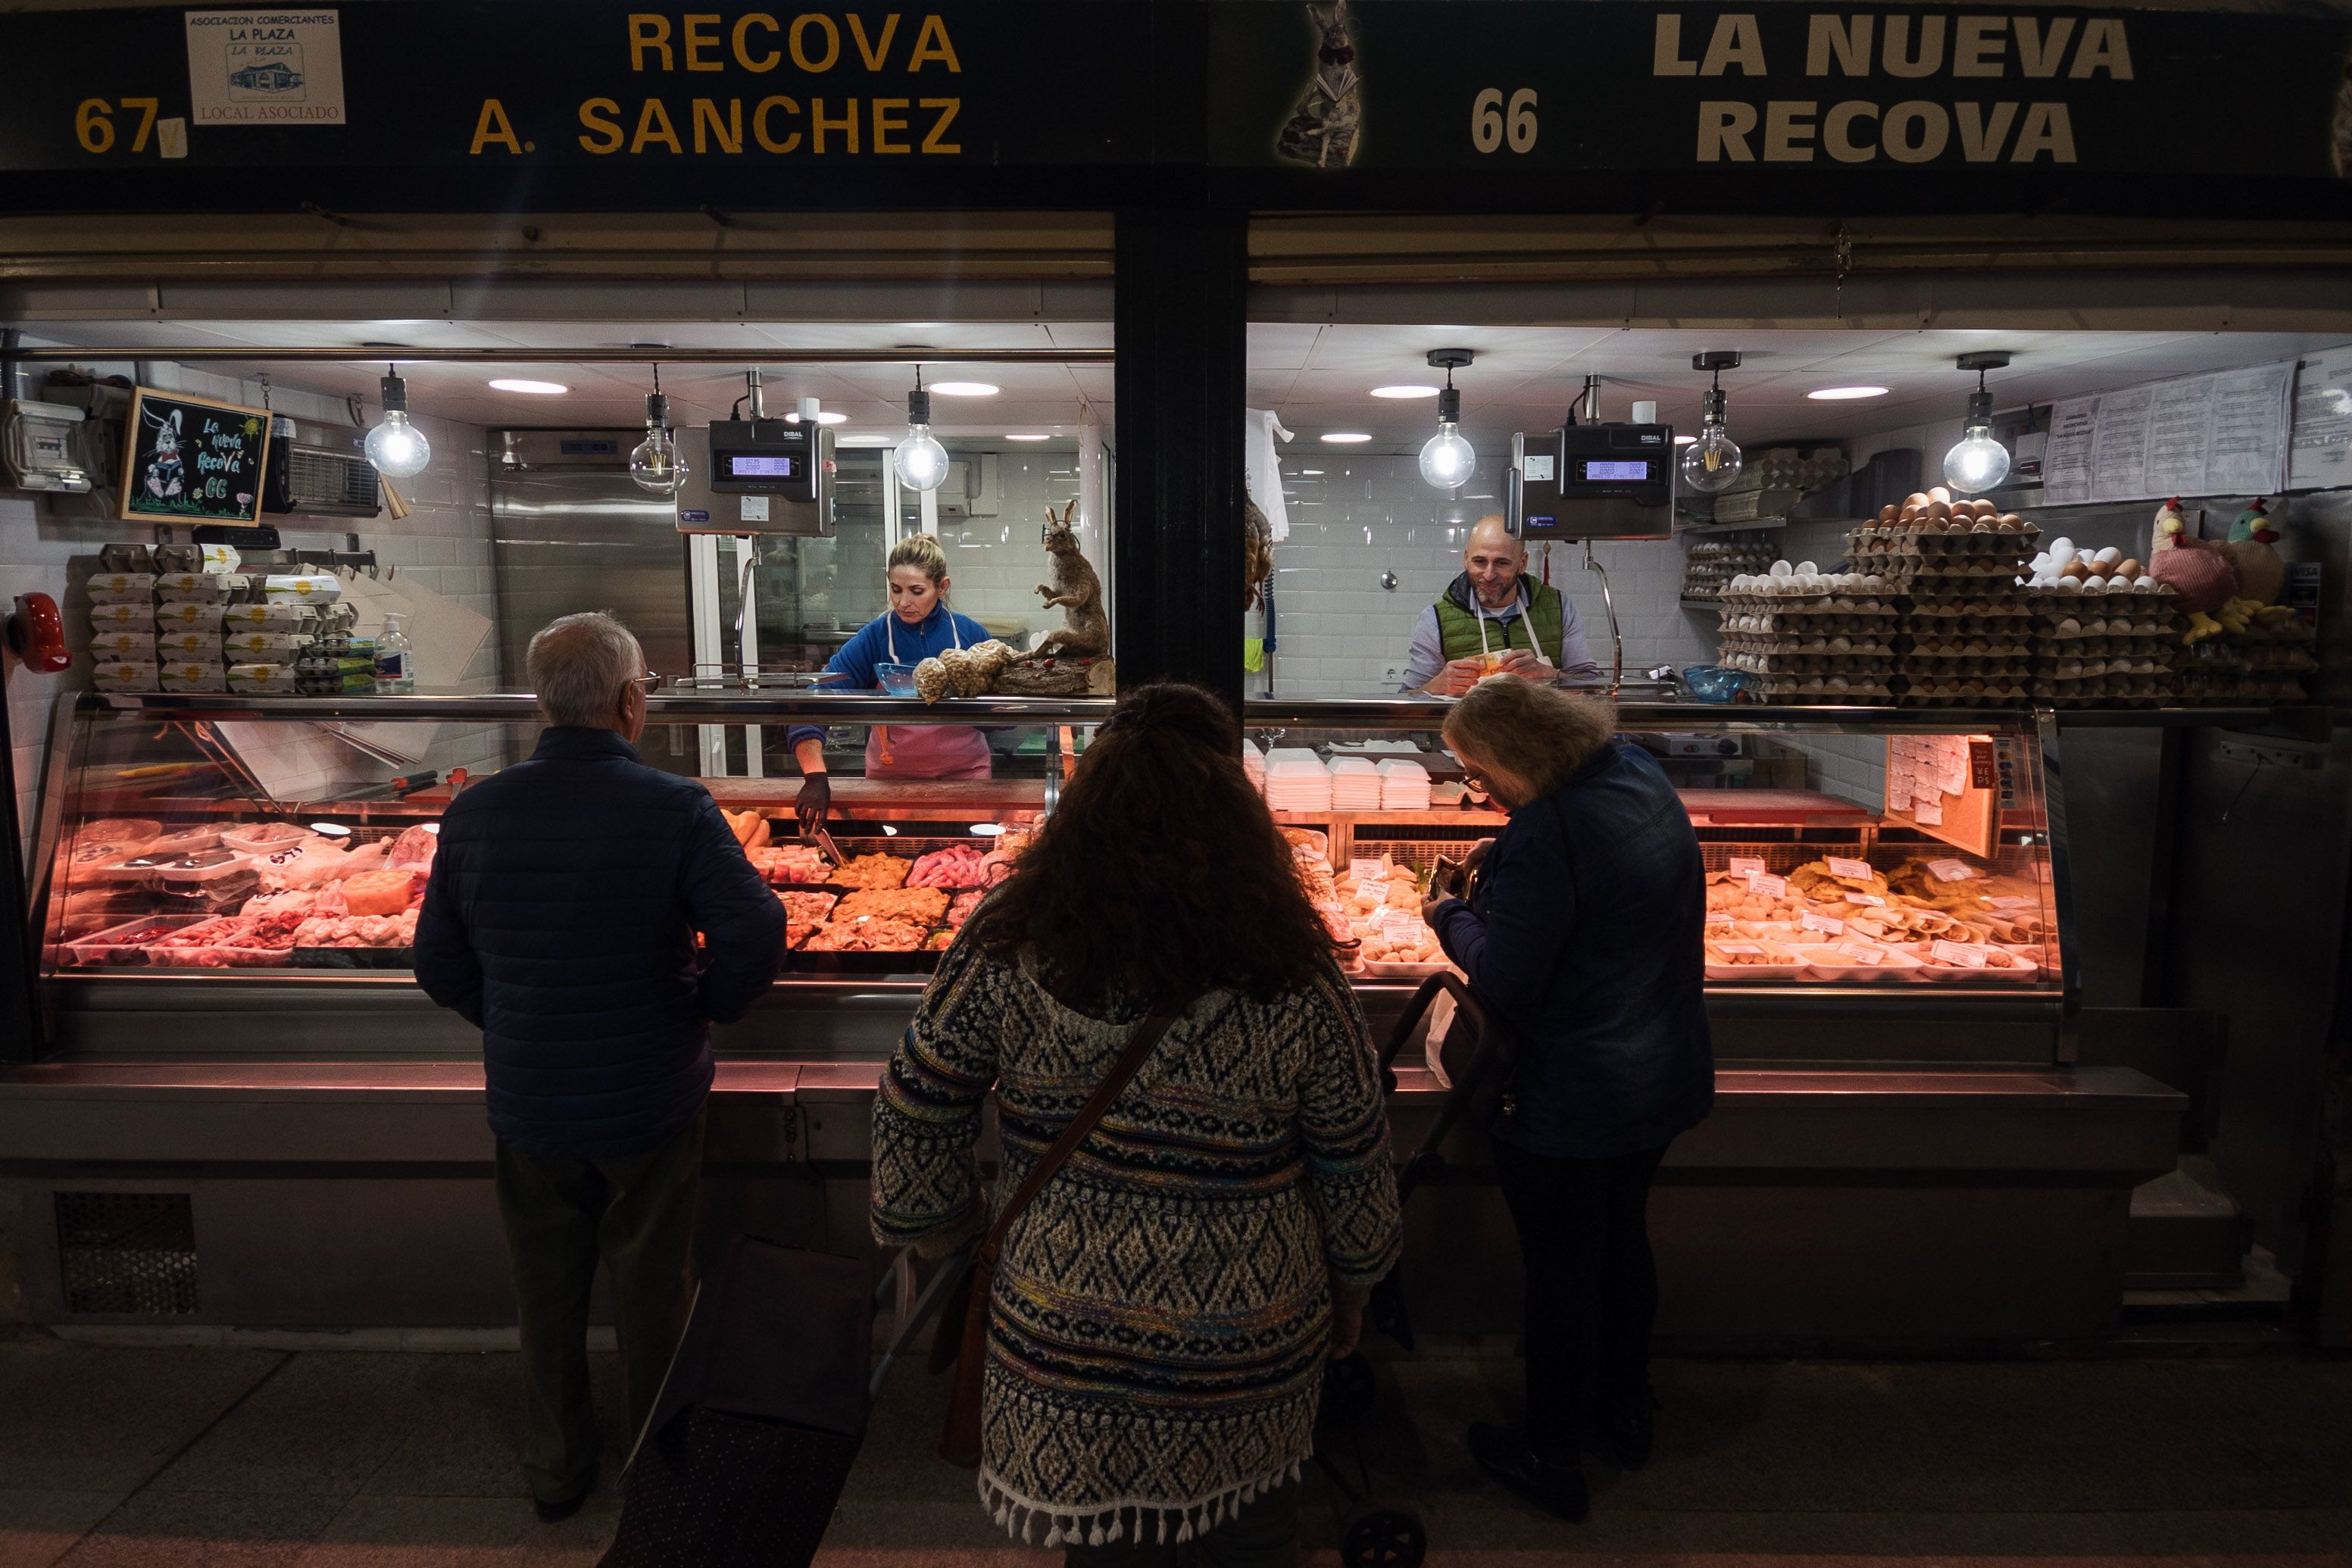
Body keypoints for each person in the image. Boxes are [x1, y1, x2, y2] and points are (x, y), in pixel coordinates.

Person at [870, 683, 1402, 1566]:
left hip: (1064, 1329)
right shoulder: (1291, 962)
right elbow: (1354, 1152)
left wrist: (941, 1239)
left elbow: (916, 1099)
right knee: (1249, 1545)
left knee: (1105, 1548)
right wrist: (1355, 1284)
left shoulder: (1012, 938)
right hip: (1248, 1337)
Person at [414, 611, 786, 1522]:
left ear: (544, 703)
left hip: (531, 1097)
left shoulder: (476, 810)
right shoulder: (674, 807)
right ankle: (660, 1465)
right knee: (654, 1294)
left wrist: (514, 1020)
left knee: (545, 1295)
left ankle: (556, 1469)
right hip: (649, 1096)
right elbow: (756, 926)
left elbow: (437, 965)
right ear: (630, 702)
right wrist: (708, 1002)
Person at [1419, 676, 1711, 1523]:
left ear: (1515, 761)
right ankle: (1625, 1407)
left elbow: (1506, 975)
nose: (1479, 788)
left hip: (1575, 1093)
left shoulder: (1550, 830)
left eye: (1478, 774)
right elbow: (1593, 877)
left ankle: (1551, 1452)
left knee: (1561, 1273)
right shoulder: (1634, 770)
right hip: (1662, 1070)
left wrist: (1447, 913)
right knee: (1623, 1242)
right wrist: (1506, 847)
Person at [792, 533, 995, 831]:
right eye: (896, 589)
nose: (903, 602)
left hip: (965, 781)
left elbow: (1003, 706)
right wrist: (815, 776)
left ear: (942, 587)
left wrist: (992, 709)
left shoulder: (970, 635)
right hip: (890, 787)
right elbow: (813, 703)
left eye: (916, 591)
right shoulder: (874, 638)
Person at [1401, 514, 1602, 695]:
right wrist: (1438, 685)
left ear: (1522, 563)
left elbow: (1593, 687)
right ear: (1465, 558)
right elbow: (1406, 699)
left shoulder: (1559, 606)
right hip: (1470, 736)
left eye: (1502, 563)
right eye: (1480, 561)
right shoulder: (1435, 619)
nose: (1489, 575)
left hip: (1546, 734)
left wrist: (1551, 674)